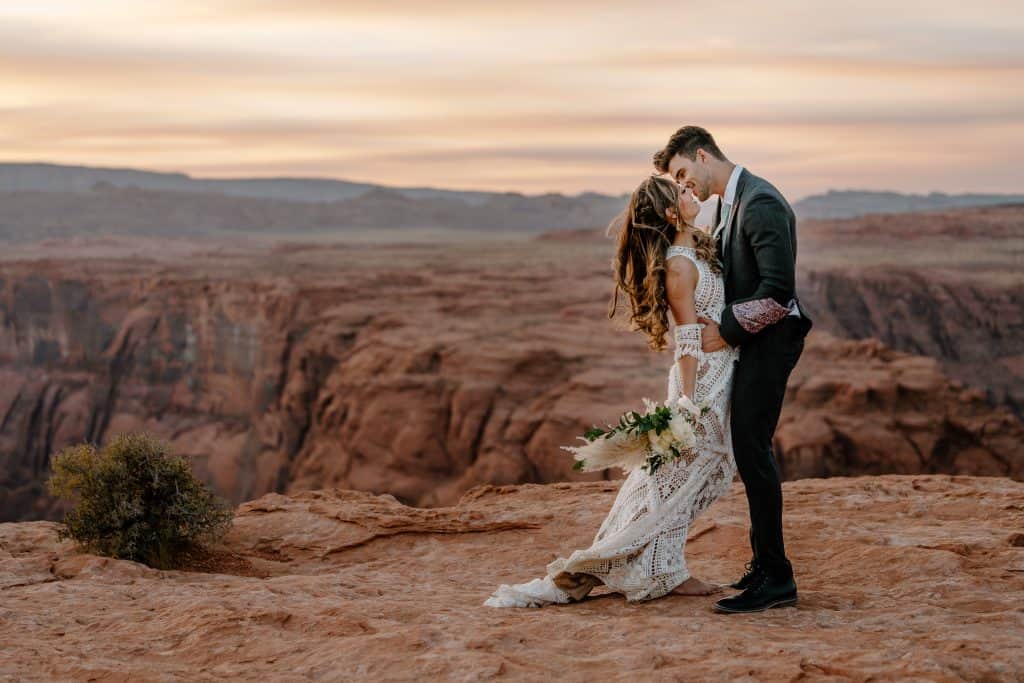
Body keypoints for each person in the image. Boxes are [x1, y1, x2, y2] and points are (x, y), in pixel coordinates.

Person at [484, 174, 739, 608]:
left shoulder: (695, 247)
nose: (691, 192)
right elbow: (688, 341)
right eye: (681, 193)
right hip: (702, 386)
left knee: (694, 477)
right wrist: (687, 404)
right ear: (671, 213)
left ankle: (655, 562)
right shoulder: (679, 264)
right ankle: (643, 566)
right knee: (680, 477)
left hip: (723, 376)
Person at [654, 125, 812, 613]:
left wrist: (726, 330)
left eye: (684, 172)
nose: (686, 185)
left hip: (772, 342)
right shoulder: (730, 204)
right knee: (749, 449)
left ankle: (777, 577)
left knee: (753, 449)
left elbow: (779, 291)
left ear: (703, 155)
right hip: (756, 341)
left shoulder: (760, 201)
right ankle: (764, 566)